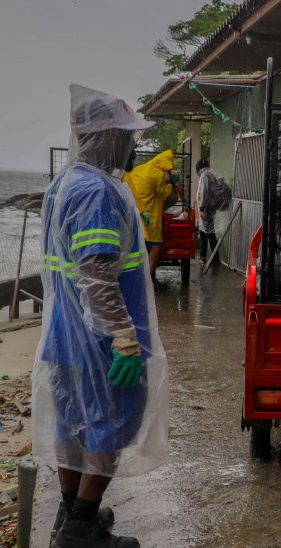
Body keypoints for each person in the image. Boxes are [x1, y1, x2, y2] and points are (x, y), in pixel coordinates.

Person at [34, 84, 169, 548]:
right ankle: (80, 531)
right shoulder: (96, 191)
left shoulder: (63, 183)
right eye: (126, 135)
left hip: (63, 337)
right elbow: (96, 271)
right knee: (108, 426)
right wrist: (125, 337)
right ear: (105, 137)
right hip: (102, 344)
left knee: (73, 426)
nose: (132, 145)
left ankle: (71, 514)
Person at [122, 150, 177, 291]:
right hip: (150, 215)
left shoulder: (141, 168)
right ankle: (151, 277)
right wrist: (171, 183)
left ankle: (139, 275)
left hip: (137, 211)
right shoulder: (157, 174)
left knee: (140, 245)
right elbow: (164, 194)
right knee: (156, 244)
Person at [195, 158, 219, 265]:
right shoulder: (210, 174)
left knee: (210, 233)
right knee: (203, 232)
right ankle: (202, 255)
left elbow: (205, 192)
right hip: (209, 207)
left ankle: (215, 259)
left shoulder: (205, 176)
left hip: (206, 208)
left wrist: (202, 208)